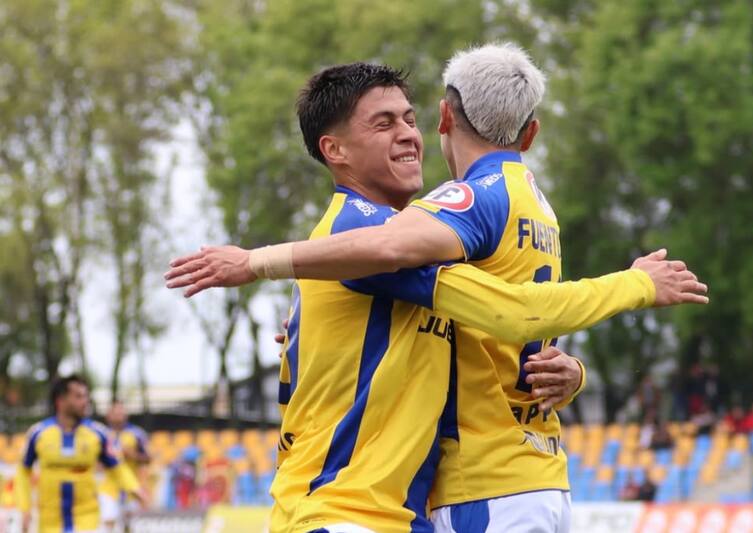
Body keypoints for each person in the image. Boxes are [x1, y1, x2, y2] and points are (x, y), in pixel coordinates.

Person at [165, 46, 707, 532]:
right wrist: (636, 285)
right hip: (338, 512)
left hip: (396, 513)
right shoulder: (371, 240)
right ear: (336, 150)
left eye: (410, 117)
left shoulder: (406, 241)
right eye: (383, 124)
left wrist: (567, 371)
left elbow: (493, 335)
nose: (408, 133)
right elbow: (515, 311)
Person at [15, 375, 145, 533]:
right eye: (78, 396)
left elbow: (117, 467)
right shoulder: (38, 433)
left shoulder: (98, 433)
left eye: (86, 396)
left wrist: (135, 488)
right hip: (49, 524)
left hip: (87, 522)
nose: (85, 401)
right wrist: (25, 508)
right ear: (60, 400)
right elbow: (23, 471)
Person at [99, 401, 150, 533]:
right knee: (108, 520)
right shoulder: (102, 434)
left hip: (130, 488)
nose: (119, 416)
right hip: (109, 487)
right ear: (108, 415)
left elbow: (148, 458)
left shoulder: (137, 434)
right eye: (115, 413)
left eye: (121, 412)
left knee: (128, 524)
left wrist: (133, 455)